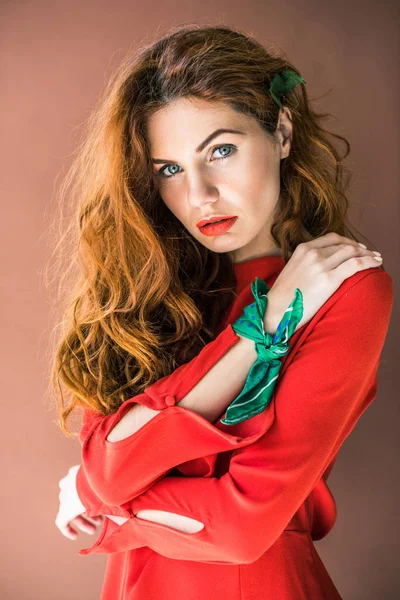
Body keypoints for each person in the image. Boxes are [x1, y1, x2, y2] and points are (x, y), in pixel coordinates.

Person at [50, 24, 393, 600]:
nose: (200, 194)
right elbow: (109, 471)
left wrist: (107, 506)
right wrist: (263, 329)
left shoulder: (347, 291)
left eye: (222, 151)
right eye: (170, 169)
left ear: (281, 132)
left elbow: (239, 528)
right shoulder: (133, 297)